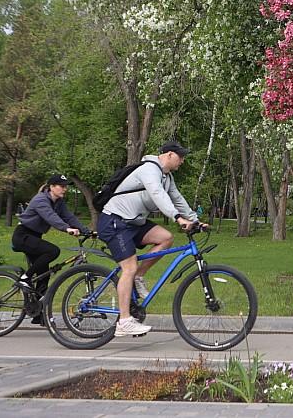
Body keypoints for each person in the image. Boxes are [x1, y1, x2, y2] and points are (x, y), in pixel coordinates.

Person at [97, 141, 201, 337]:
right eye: (181, 157)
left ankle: (138, 277)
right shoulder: (149, 170)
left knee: (166, 238)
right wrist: (177, 218)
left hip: (133, 223)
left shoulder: (166, 177)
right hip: (114, 221)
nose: (183, 161)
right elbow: (157, 194)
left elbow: (176, 198)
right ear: (169, 155)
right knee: (128, 266)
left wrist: (195, 220)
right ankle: (124, 321)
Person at [12, 174, 88, 323]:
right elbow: (51, 217)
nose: (64, 189)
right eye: (61, 186)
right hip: (23, 236)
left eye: (66, 186)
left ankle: (38, 314)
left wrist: (86, 230)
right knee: (53, 251)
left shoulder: (58, 202)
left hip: (35, 237)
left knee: (44, 275)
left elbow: (69, 217)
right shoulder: (41, 199)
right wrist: (67, 229)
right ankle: (25, 278)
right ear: (51, 187)